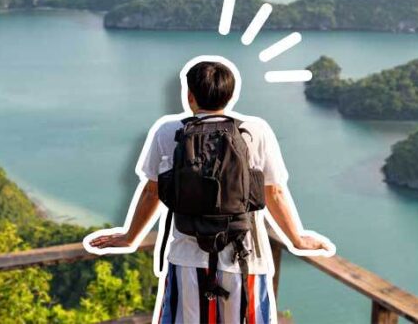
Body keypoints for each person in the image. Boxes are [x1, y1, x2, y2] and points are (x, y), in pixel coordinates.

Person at [87, 57, 334, 323]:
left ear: (189, 95)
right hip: (245, 259)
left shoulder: (168, 131)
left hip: (187, 260)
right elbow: (274, 193)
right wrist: (297, 239)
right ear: (229, 95)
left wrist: (129, 237)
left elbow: (151, 192)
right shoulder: (255, 131)